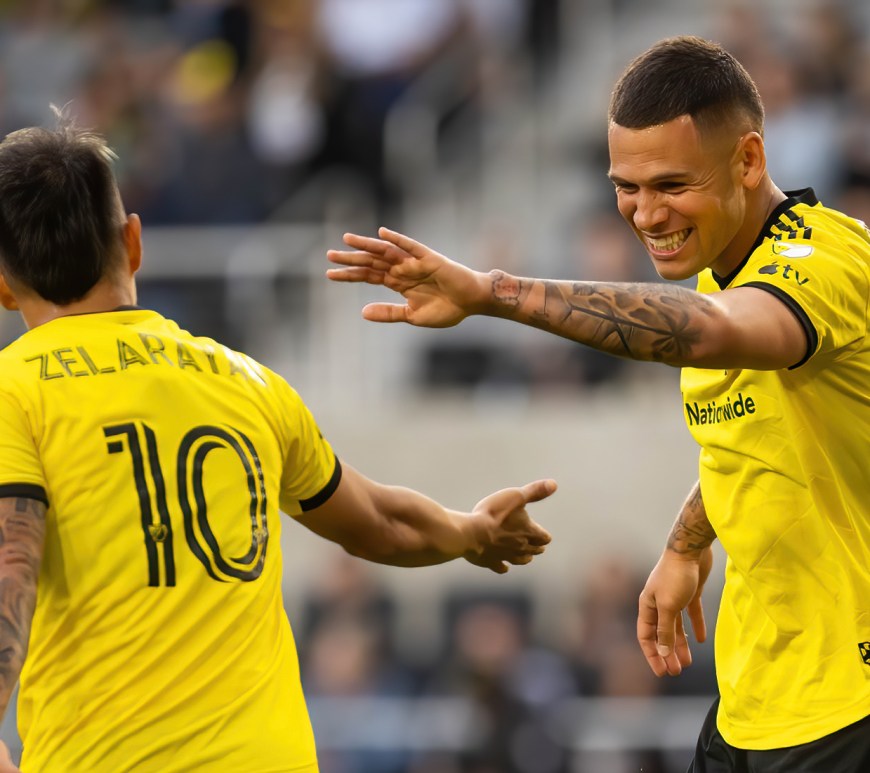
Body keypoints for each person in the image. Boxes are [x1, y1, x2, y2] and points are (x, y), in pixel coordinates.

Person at [327, 35, 870, 772]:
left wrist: (493, 292)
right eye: (627, 187)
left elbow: (711, 333)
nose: (646, 215)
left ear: (748, 160)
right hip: (757, 697)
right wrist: (686, 543)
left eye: (671, 184)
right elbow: (759, 436)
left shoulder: (825, 263)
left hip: (847, 703)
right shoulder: (724, 263)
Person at [0, 113, 555, 773]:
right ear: (134, 241)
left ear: (3, 285)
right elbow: (379, 523)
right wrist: (471, 531)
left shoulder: (14, 391)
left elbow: (12, 565)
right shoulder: (247, 381)